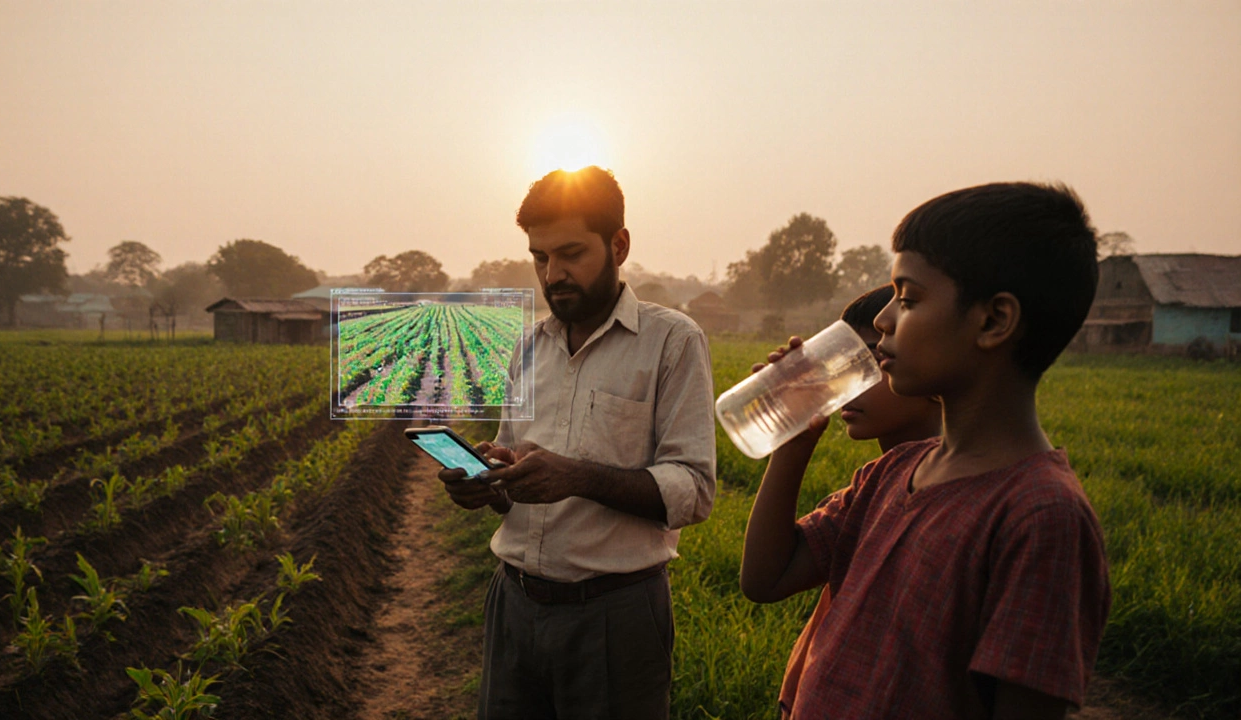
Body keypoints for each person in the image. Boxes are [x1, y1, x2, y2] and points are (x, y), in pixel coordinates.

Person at [739, 182, 1112, 719]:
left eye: (908, 298)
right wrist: (792, 446)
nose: (886, 319)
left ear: (993, 321)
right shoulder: (892, 473)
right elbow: (765, 579)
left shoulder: (1041, 516)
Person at [437, 166, 717, 720]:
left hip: (614, 616)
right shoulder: (529, 347)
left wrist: (578, 476)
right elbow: (513, 464)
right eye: (539, 257)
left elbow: (694, 489)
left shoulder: (672, 342)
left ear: (619, 244)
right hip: (512, 603)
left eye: (570, 254)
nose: (553, 273)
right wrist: (488, 481)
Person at [744, 284, 943, 719]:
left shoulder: (952, 494)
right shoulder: (876, 484)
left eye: (872, 360)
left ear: (935, 366)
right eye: (843, 363)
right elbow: (763, 579)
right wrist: (791, 445)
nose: (847, 384)